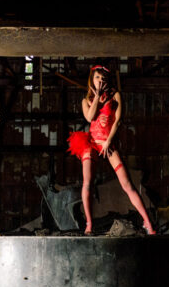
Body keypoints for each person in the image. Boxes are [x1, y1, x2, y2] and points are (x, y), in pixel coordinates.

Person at [66, 64, 156, 235]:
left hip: (108, 142)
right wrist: (98, 97)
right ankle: (89, 224)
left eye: (103, 78)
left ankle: (148, 223)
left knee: (127, 184)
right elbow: (90, 117)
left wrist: (108, 141)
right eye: (97, 77)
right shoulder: (86, 101)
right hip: (91, 143)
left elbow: (118, 121)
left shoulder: (115, 96)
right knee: (87, 182)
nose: (100, 80)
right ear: (92, 80)